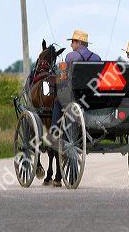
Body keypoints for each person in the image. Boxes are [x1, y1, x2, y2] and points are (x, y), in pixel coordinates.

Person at [45, 29, 101, 187]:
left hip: (73, 97)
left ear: (79, 43)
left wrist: (61, 76)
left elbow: (63, 78)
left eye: (73, 42)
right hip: (92, 97)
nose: (71, 45)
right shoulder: (97, 57)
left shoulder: (71, 57)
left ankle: (55, 129)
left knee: (56, 101)